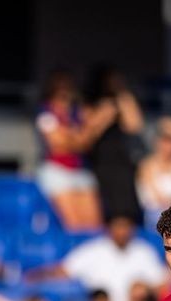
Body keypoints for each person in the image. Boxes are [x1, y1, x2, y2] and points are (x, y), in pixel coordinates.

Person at [39, 214, 165, 301]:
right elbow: (65, 270)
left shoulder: (143, 250)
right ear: (109, 228)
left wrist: (144, 290)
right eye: (118, 226)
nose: (122, 231)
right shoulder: (93, 249)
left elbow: (161, 283)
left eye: (126, 226)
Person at [35, 70, 111, 231]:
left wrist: (76, 137)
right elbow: (59, 144)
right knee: (74, 226)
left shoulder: (77, 112)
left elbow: (84, 143)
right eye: (61, 94)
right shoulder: (46, 113)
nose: (65, 98)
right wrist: (84, 133)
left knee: (95, 227)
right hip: (58, 171)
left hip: (80, 171)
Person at [83, 66, 145, 224]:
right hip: (101, 161)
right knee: (109, 206)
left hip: (122, 161)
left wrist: (122, 97)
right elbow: (87, 133)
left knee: (127, 203)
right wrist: (103, 116)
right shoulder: (90, 102)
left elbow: (135, 125)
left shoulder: (122, 99)